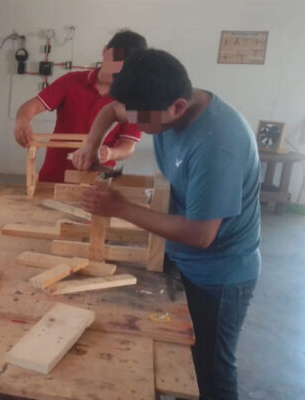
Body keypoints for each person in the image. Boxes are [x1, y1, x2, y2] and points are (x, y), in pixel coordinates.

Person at [72, 48, 260, 400]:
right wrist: (90, 145)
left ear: (177, 107)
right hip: (179, 256)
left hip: (218, 274)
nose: (138, 127)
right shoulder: (161, 102)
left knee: (210, 371)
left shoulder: (217, 145)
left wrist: (119, 208)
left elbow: (200, 235)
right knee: (177, 358)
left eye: (143, 120)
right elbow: (112, 110)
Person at [13, 30, 147, 182]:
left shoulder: (131, 99)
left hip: (97, 182)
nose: (118, 70)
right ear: (105, 51)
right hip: (54, 177)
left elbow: (128, 146)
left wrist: (111, 153)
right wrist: (22, 122)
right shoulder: (71, 81)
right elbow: (31, 107)